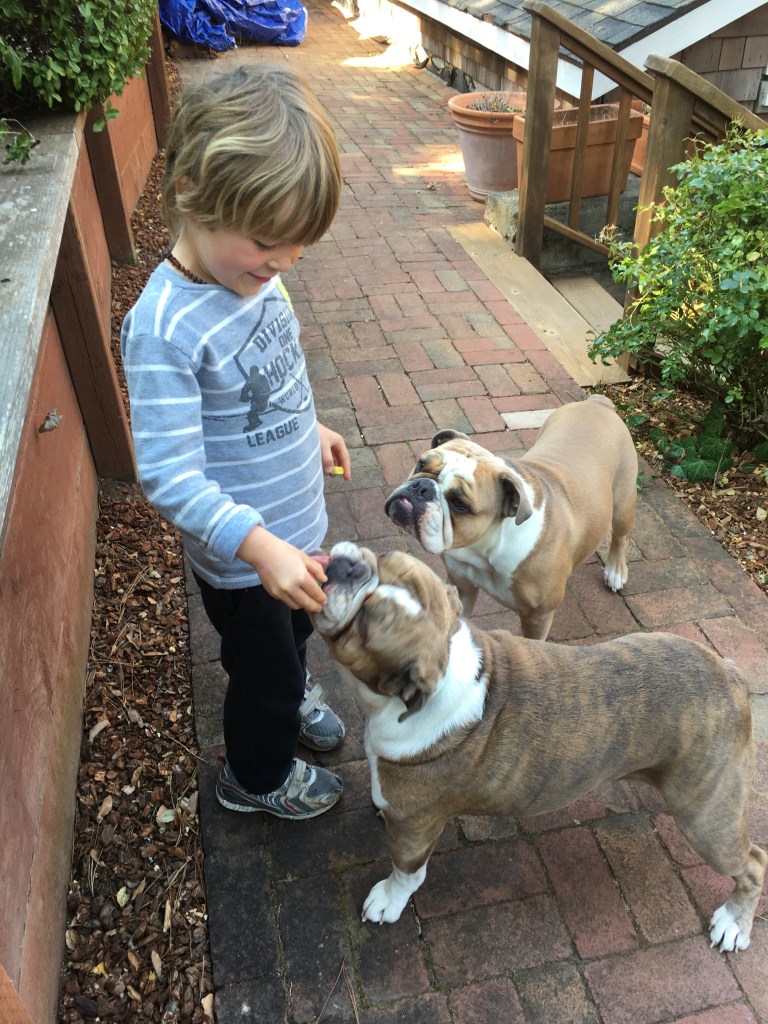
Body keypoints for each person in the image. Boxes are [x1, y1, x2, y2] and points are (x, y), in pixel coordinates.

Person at [121, 61, 350, 819]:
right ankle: (255, 777)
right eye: (266, 242)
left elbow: (271, 375)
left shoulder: (253, 277)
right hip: (246, 563)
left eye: (299, 246)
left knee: (292, 638)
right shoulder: (164, 328)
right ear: (194, 194)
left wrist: (309, 427)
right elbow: (168, 477)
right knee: (263, 674)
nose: (283, 263)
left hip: (293, 536)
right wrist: (258, 549)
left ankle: (289, 687)